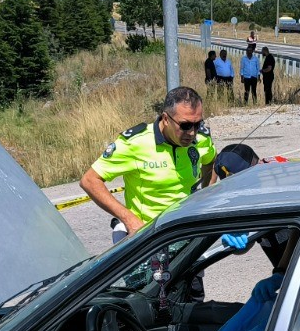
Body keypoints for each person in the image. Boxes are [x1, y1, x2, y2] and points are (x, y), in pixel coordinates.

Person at [80, 86, 217, 244]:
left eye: (197, 124)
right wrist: (129, 219)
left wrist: (206, 197)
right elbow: (90, 180)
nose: (192, 132)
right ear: (165, 119)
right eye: (185, 126)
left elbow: (211, 161)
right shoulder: (136, 143)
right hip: (147, 237)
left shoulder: (201, 139)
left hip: (185, 233)